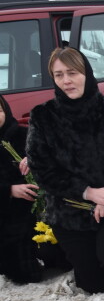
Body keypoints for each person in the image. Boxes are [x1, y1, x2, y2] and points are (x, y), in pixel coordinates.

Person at [26, 47, 104, 294]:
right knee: (95, 284)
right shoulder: (43, 116)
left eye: (72, 72)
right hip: (71, 210)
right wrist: (88, 192)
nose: (66, 81)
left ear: (87, 72)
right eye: (58, 75)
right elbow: (42, 169)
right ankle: (100, 262)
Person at [0, 95, 42, 284]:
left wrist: (34, 159)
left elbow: (55, 159)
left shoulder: (24, 135)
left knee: (26, 272)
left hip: (28, 210)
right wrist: (8, 190)